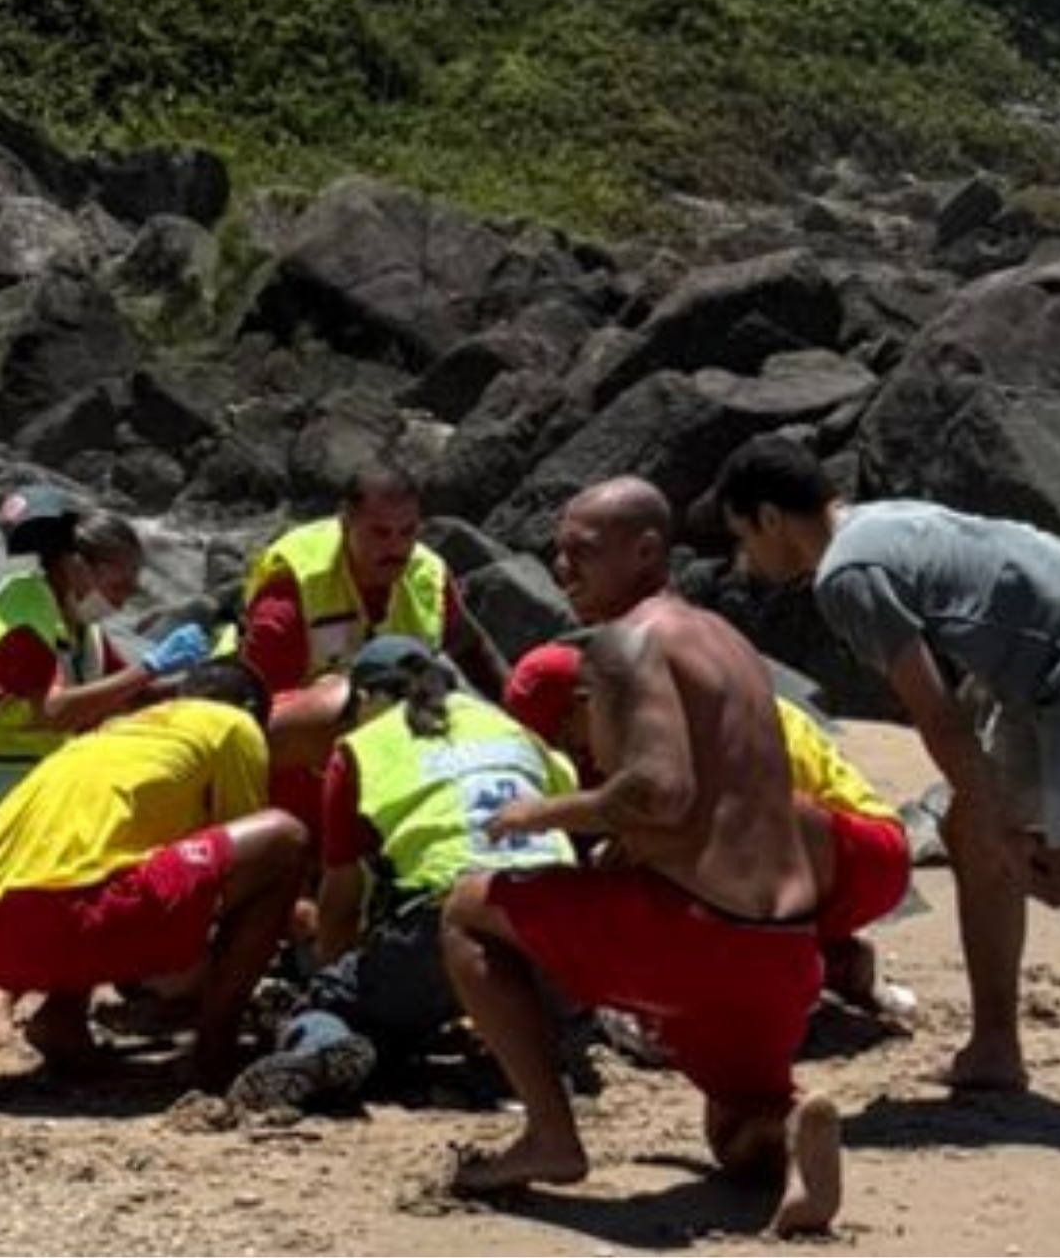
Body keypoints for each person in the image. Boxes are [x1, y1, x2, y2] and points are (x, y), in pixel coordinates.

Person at [715, 441, 1060, 1160]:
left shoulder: (847, 575)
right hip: (1042, 665)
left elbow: (935, 712)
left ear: (768, 517)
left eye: (740, 538)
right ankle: (995, 1047)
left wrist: (1005, 820)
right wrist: (989, 818)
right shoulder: (866, 522)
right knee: (969, 833)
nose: (741, 560)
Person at [440, 477, 840, 1236]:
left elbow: (658, 789)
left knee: (466, 908)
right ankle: (787, 1126)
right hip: (785, 951)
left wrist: (542, 811)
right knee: (730, 1126)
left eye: (582, 552)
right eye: (556, 552)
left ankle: (549, 1136)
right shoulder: (726, 640)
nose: (561, 568)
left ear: (647, 550)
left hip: (698, 934)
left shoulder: (627, 641)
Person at [229, 633, 577, 1114]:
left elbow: (341, 903)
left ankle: (318, 1046)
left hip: (451, 919)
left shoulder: (361, 746)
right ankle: (537, 1049)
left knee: (335, 1002)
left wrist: (336, 972)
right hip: (563, 925)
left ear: (368, 697)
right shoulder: (510, 728)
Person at [509, 637, 914, 1027]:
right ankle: (833, 957)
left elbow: (730, 813)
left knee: (678, 841)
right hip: (823, 872)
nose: (578, 758)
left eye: (566, 740)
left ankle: (779, 978)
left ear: (586, 705)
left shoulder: (676, 719)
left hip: (867, 854)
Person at [0, 657, 313, 1092]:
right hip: (75, 925)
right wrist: (302, 918)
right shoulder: (234, 723)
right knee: (285, 838)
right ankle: (215, 1050)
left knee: (102, 857)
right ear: (250, 708)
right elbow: (252, 864)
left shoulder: (114, 734)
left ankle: (61, 1020)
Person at [0, 496, 184, 970]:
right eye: (120, 583)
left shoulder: (78, 627)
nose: (127, 596)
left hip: (1, 805)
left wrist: (198, 685)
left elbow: (128, 696)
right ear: (76, 567)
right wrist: (150, 667)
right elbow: (55, 712)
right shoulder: (22, 624)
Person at [242, 455, 508, 829]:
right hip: (296, 733)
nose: (396, 548)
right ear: (346, 522)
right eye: (380, 533)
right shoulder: (294, 590)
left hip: (386, 726)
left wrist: (521, 717)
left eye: (407, 532)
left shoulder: (427, 574)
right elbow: (260, 721)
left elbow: (469, 644)